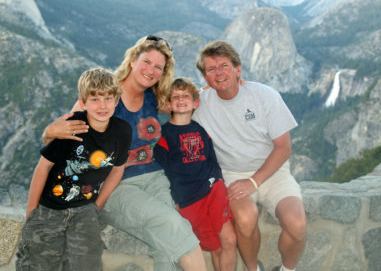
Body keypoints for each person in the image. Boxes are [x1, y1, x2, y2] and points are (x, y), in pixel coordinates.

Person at [41, 36, 207, 271]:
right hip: (117, 186)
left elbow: (182, 103)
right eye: (146, 62)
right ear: (132, 61)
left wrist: (211, 91)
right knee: (171, 225)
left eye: (158, 67)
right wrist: (49, 133)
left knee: (167, 242)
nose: (150, 70)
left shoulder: (152, 96)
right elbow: (63, 130)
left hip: (155, 179)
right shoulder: (107, 95)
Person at [193, 40, 307, 271]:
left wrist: (254, 181)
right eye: (211, 70)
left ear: (238, 69)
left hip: (273, 172)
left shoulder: (264, 95)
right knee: (245, 219)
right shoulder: (199, 103)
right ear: (205, 77)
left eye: (224, 66)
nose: (219, 73)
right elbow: (164, 104)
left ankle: (286, 269)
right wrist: (196, 91)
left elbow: (284, 147)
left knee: (297, 224)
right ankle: (254, 269)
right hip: (232, 174)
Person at [16, 68, 132, 270]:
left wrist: (97, 206)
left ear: (117, 100)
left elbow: (117, 169)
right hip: (49, 208)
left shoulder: (122, 131)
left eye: (107, 98)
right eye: (94, 99)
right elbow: (43, 167)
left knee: (87, 263)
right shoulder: (73, 126)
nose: (102, 105)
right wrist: (31, 212)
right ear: (83, 101)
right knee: (38, 262)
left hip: (84, 209)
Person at [154, 77, 237, 271]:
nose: (181, 99)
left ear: (195, 103)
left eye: (186, 96)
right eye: (176, 96)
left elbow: (212, 159)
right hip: (189, 200)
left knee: (229, 240)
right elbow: (164, 171)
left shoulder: (200, 130)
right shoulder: (164, 135)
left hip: (212, 192)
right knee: (215, 246)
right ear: (168, 104)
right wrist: (175, 199)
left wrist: (218, 181)